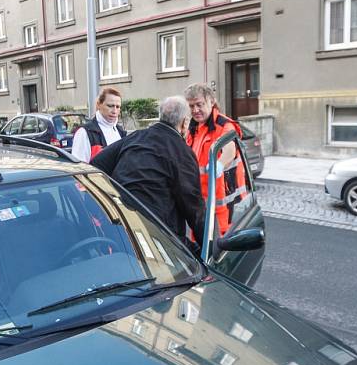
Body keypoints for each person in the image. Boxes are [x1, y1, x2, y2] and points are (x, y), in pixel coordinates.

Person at [91, 96, 205, 245]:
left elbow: (96, 164)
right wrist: (210, 249)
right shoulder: (182, 152)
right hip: (159, 235)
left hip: (122, 225)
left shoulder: (135, 137)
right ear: (184, 123)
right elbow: (194, 207)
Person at [184, 83, 246, 235]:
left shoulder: (224, 126)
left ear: (211, 102)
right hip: (201, 203)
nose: (195, 110)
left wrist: (219, 164)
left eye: (199, 104)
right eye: (191, 106)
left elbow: (229, 150)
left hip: (223, 204)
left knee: (222, 248)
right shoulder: (193, 128)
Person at [71, 87, 126, 162]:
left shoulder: (120, 132)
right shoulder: (84, 132)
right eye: (110, 106)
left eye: (118, 107)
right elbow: (79, 168)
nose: (114, 111)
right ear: (99, 104)